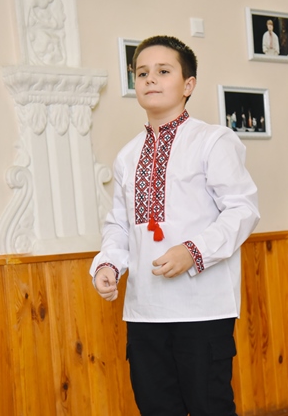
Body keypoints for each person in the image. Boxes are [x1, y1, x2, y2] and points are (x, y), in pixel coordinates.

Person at [89, 35, 260, 416]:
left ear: (188, 85)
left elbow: (242, 210)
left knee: (210, 408)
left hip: (202, 309)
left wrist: (193, 252)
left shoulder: (213, 141)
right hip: (144, 312)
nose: (150, 79)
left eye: (163, 71)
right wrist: (108, 264)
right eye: (142, 73)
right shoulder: (127, 156)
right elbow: (119, 224)